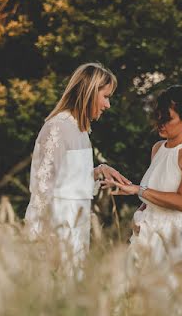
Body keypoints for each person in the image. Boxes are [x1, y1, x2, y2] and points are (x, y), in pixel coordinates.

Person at [104, 85, 182, 316]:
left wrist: (138, 190)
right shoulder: (157, 149)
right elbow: (153, 193)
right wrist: (138, 214)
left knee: (174, 309)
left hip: (176, 237)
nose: (160, 123)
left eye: (168, 118)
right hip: (146, 236)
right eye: (158, 115)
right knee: (134, 302)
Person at [24, 63, 130, 264]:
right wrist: (40, 240)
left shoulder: (81, 131)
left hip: (76, 230)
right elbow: (42, 189)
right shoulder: (57, 127)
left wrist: (98, 171)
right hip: (56, 232)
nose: (108, 105)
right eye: (105, 97)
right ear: (89, 92)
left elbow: (67, 181)